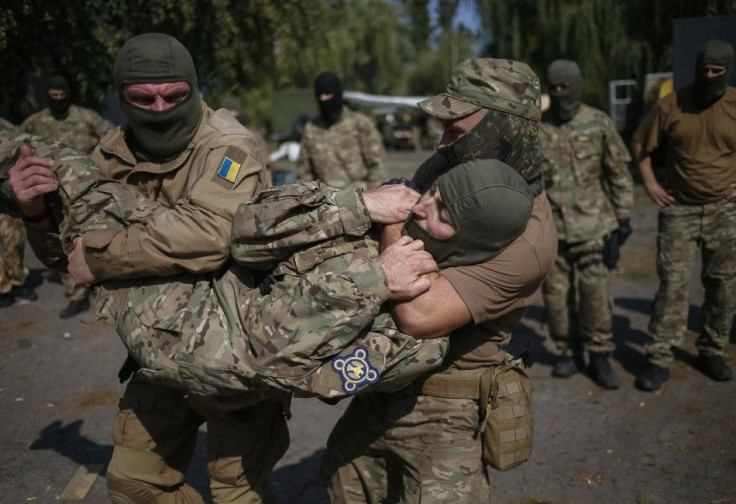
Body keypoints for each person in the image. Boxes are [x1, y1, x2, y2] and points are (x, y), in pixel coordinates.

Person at [8, 33, 288, 503]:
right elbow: (67, 255)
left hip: (236, 354)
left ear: (193, 88)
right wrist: (35, 211)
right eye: (142, 99)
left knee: (239, 492)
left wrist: (102, 258)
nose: (159, 109)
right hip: (159, 353)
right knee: (133, 484)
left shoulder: (230, 147)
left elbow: (209, 236)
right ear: (121, 97)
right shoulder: (108, 154)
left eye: (174, 96)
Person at [320, 58, 558, 503]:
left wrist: (396, 217)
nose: (441, 141)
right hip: (380, 385)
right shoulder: (449, 164)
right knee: (341, 485)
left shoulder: (530, 238)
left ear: (504, 131)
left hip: (445, 412)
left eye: (457, 130)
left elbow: (417, 312)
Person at [631, 40, 736, 392]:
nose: (709, 76)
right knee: (673, 284)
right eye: (704, 70)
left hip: (725, 210)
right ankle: (659, 357)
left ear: (727, 70)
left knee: (722, 284)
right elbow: (641, 148)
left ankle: (712, 349)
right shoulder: (672, 104)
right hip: (680, 211)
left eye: (717, 71)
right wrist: (651, 185)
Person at [537, 59, 634, 390]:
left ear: (577, 86)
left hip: (593, 227)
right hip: (553, 230)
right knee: (556, 297)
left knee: (595, 295)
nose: (560, 93)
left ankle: (600, 355)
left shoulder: (598, 123)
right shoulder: (538, 127)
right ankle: (567, 350)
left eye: (566, 87)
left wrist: (623, 219)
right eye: (554, 88)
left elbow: (618, 172)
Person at [21, 75, 114, 319]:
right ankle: (76, 296)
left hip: (89, 192)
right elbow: (21, 146)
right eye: (54, 97)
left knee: (97, 240)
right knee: (65, 244)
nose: (59, 101)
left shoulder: (87, 117)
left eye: (63, 96)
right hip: (53, 195)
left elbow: (112, 136)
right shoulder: (35, 122)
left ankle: (104, 294)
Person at [298, 71, 386, 189]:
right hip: (326, 202)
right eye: (320, 95)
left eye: (328, 94)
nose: (323, 99)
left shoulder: (360, 124)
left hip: (359, 198)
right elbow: (305, 173)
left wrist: (371, 198)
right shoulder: (311, 129)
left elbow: (377, 167)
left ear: (338, 93)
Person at [0, 118, 38, 307]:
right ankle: (3, 287)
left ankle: (18, 282)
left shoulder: (5, 126)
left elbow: (23, 141)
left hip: (5, 194)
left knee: (13, 241)